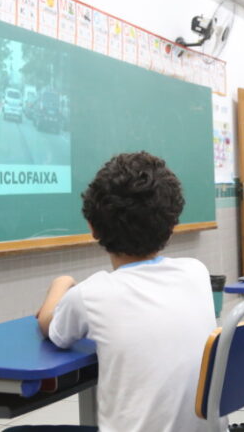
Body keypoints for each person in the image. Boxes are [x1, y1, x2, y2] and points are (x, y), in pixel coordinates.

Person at [34, 152, 216, 431]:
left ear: (93, 227)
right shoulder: (196, 272)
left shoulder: (90, 294)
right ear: (171, 226)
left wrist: (61, 283)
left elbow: (50, 327)